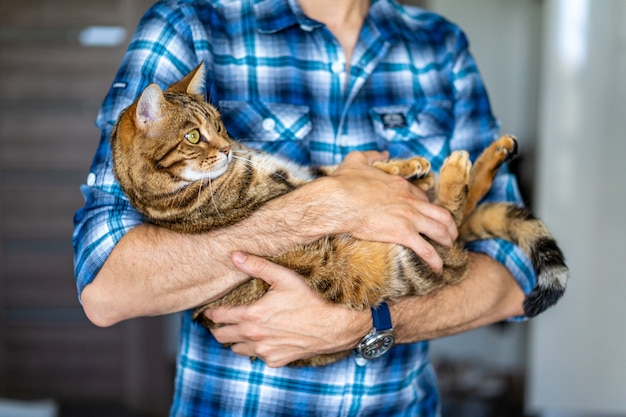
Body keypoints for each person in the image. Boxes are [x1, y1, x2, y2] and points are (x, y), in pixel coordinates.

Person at [72, 0, 534, 415]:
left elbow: (517, 277)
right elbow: (105, 288)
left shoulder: (440, 44)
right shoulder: (188, 22)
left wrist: (366, 322)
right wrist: (327, 205)